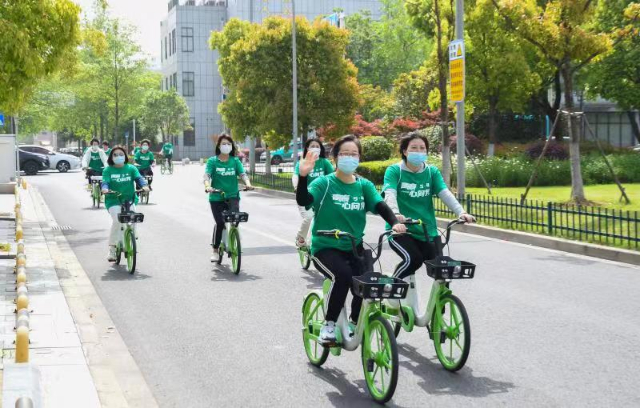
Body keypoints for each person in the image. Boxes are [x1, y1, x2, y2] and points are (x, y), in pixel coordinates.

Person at [296, 135, 407, 344]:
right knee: (344, 275)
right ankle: (329, 324)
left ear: (359, 158)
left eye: (354, 154)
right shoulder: (324, 183)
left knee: (368, 281)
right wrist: (303, 177)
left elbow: (380, 205)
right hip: (325, 247)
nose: (349, 157)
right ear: (335, 157)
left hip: (354, 247)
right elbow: (305, 200)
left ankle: (356, 322)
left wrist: (393, 222)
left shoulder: (363, 185)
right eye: (344, 154)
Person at [382, 131, 475, 283]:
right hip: (401, 230)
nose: (419, 152)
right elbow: (390, 194)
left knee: (442, 272)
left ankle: (441, 305)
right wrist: (395, 215)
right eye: (414, 148)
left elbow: (444, 193)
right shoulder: (395, 171)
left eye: (422, 148)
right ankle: (392, 287)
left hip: (428, 231)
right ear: (405, 151)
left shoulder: (431, 172)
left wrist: (461, 212)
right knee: (413, 260)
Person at [203, 134, 254, 262]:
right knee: (220, 223)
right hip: (216, 197)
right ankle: (215, 250)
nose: (226, 146)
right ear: (219, 146)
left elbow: (242, 174)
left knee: (235, 221)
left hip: (233, 196)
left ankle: (234, 239)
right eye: (224, 144)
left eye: (229, 144)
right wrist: (208, 186)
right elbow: (207, 175)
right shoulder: (212, 161)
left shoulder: (235, 161)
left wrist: (247, 183)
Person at [100, 146, 149, 261]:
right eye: (115, 155)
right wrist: (105, 189)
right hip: (113, 200)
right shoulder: (108, 170)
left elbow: (139, 178)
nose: (118, 157)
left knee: (133, 217)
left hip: (130, 198)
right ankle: (112, 249)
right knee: (118, 220)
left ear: (125, 156)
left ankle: (131, 236)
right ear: (111, 157)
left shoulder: (131, 168)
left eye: (121, 154)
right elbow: (105, 182)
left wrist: (144, 186)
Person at [292, 139, 334, 247]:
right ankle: (300, 237)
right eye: (312, 146)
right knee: (309, 217)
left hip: (323, 197)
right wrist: (296, 187)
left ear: (320, 149)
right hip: (306, 196)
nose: (315, 148)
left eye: (317, 146)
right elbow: (296, 175)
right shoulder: (303, 162)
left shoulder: (324, 162)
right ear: (307, 149)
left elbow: (333, 177)